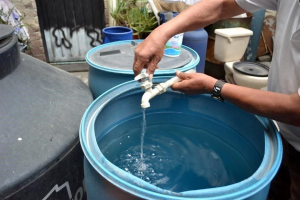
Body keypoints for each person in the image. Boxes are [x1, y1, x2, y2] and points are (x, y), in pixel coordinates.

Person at [133, 0, 300, 199]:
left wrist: (213, 86)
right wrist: (161, 32)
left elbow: (296, 109)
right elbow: (223, 5)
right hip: (279, 131)